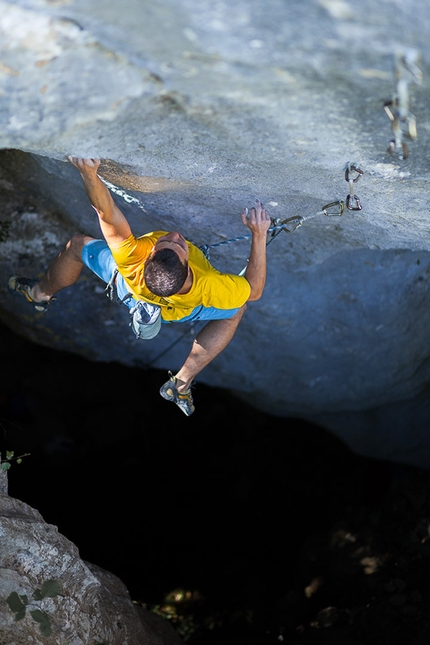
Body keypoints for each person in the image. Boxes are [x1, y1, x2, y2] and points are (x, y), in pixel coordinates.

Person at [8, 157, 271, 416]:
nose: (175, 235)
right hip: (176, 311)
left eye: (173, 243)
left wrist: (88, 173)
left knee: (78, 245)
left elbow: (106, 212)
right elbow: (254, 291)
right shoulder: (211, 287)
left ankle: (39, 294)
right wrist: (259, 235)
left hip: (128, 287)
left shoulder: (133, 257)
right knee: (236, 310)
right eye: (174, 244)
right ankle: (181, 383)